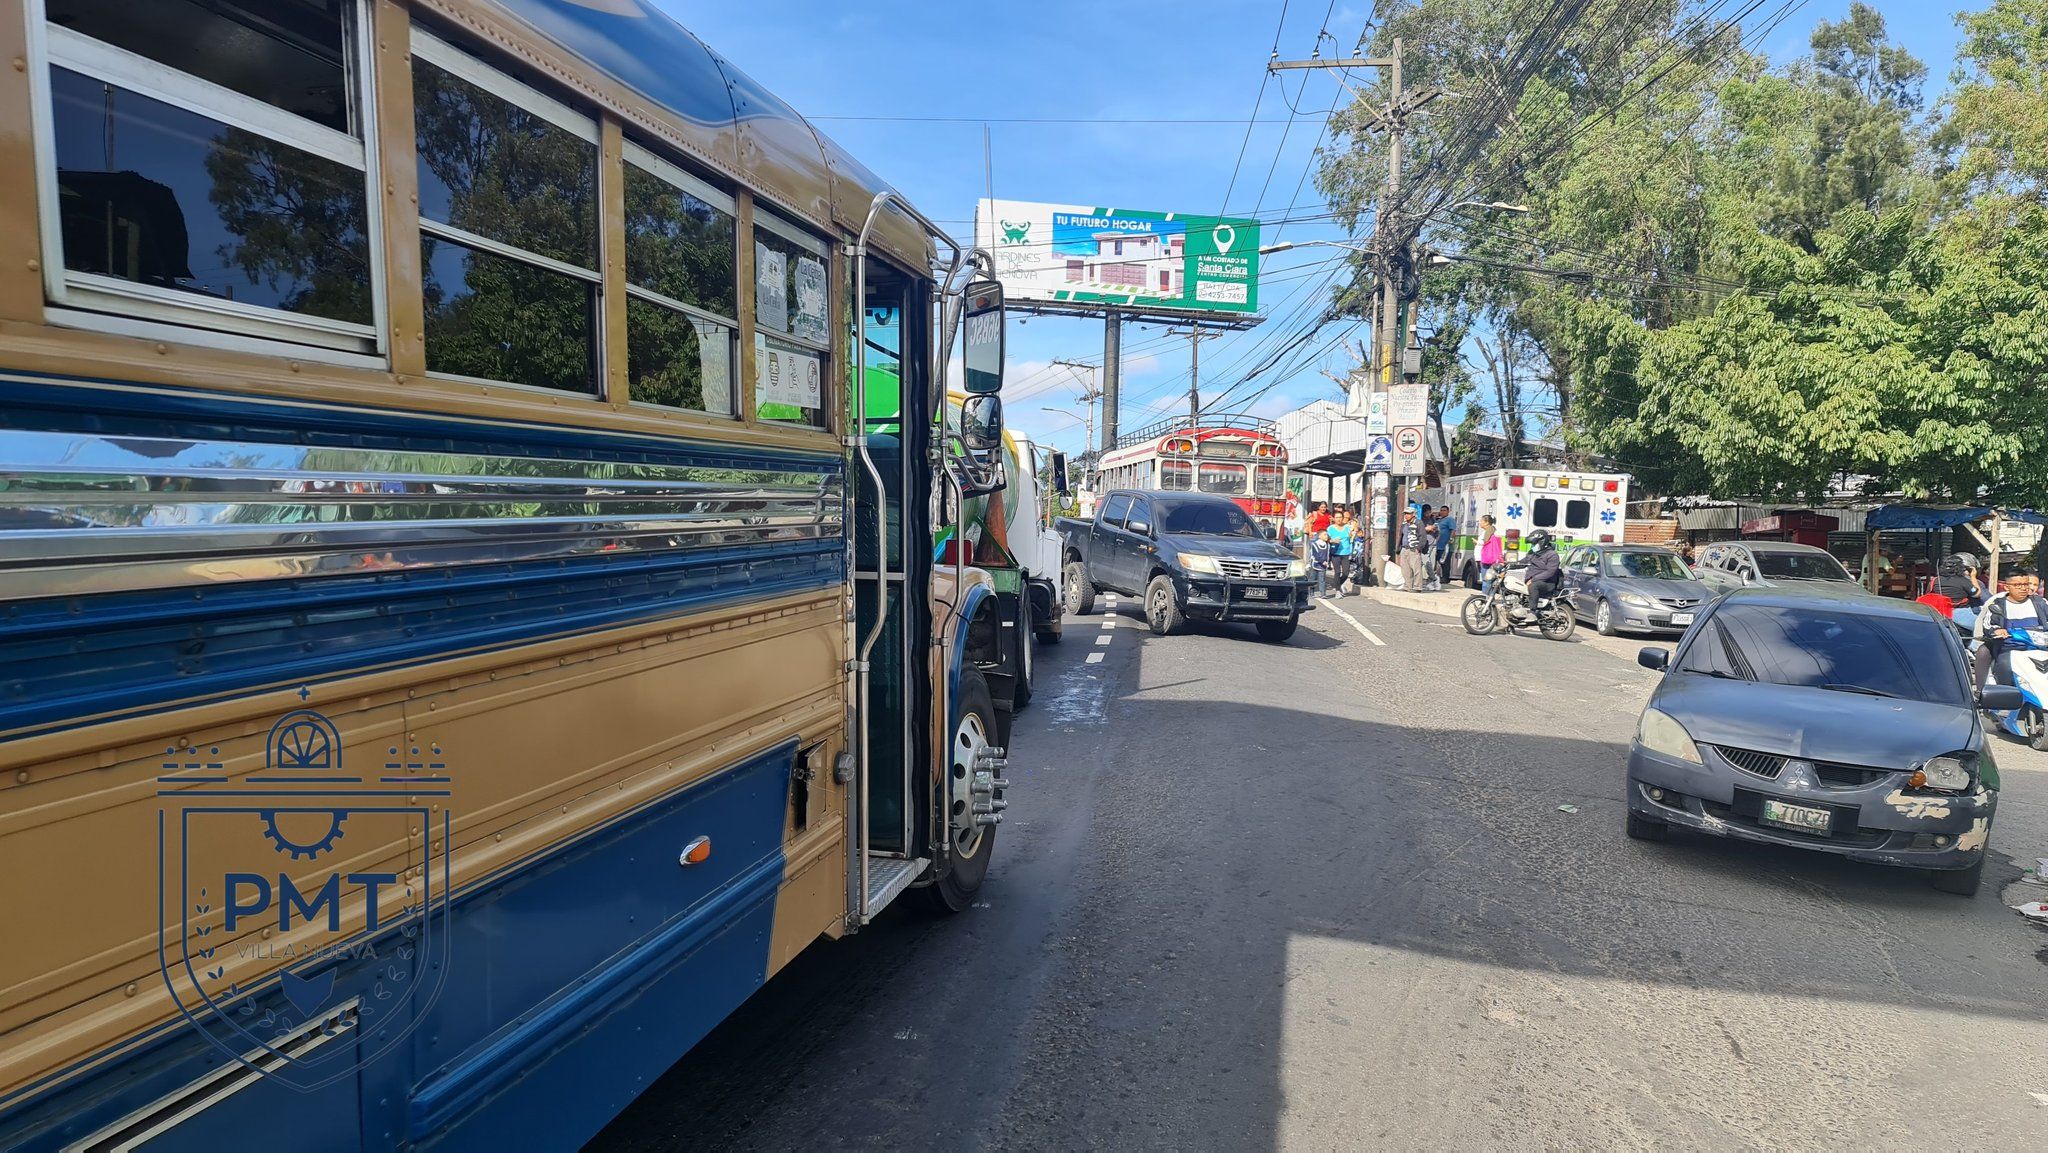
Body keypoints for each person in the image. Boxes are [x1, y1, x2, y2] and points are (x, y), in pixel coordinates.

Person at [1973, 569, 2048, 691]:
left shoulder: (2040, 603)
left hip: (2039, 649)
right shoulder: (1997, 605)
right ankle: (2005, 697)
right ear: (2007, 587)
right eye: (2018, 585)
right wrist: (1997, 630)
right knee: (2004, 666)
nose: (2024, 588)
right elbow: (1988, 625)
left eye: (2026, 584)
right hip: (2009, 650)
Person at [1519, 528, 1563, 616]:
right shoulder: (1532, 553)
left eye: (1534, 543)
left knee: (1533, 586)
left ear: (1542, 542)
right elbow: (1523, 562)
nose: (1532, 546)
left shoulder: (1552, 555)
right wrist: (1507, 565)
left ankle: (1532, 612)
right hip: (1533, 580)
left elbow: (1550, 572)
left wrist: (1533, 579)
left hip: (1547, 583)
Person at [1329, 509, 1360, 594]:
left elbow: (1351, 537)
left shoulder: (1347, 527)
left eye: (1340, 517)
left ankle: (1337, 585)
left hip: (1346, 552)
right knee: (1337, 572)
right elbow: (1327, 539)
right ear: (1334, 518)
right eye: (1337, 517)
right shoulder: (1330, 528)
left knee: (1346, 573)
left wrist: (1352, 534)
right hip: (1335, 552)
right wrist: (1333, 540)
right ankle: (1338, 591)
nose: (1338, 519)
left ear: (1343, 518)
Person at [1397, 509, 1427, 592]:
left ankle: (1417, 587)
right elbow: (1401, 536)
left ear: (1413, 514)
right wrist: (1398, 548)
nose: (1406, 515)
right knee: (1405, 569)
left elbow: (1423, 536)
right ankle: (1407, 586)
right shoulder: (1404, 524)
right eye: (1405, 514)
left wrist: (1419, 548)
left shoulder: (1418, 523)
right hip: (1404, 548)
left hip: (1414, 549)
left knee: (1416, 569)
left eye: (1408, 514)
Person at [1476, 514, 1504, 593]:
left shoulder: (1489, 531)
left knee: (1486, 581)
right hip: (1488, 559)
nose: (1480, 522)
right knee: (1489, 581)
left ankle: (1486, 600)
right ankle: (1489, 599)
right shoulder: (1491, 531)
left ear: (1487, 522)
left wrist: (1477, 542)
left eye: (1481, 521)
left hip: (1488, 560)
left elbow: (1484, 542)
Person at [1432, 504, 1457, 590]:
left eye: (1444, 510)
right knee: (1438, 561)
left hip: (1445, 545)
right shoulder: (1439, 520)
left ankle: (1446, 578)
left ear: (1448, 511)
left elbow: (1453, 530)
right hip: (1437, 545)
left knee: (1445, 562)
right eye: (1441, 510)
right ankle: (1438, 576)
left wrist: (1450, 539)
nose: (1442, 512)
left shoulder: (1450, 520)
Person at [1308, 527, 1336, 597]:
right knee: (1312, 579)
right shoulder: (1314, 544)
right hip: (1315, 563)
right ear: (1319, 536)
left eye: (1327, 535)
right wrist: (1322, 561)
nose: (1326, 536)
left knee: (1322, 580)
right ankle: (1311, 592)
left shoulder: (1327, 545)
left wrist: (1336, 543)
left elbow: (1329, 553)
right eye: (1324, 535)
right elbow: (1315, 554)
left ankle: (1323, 594)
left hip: (1324, 565)